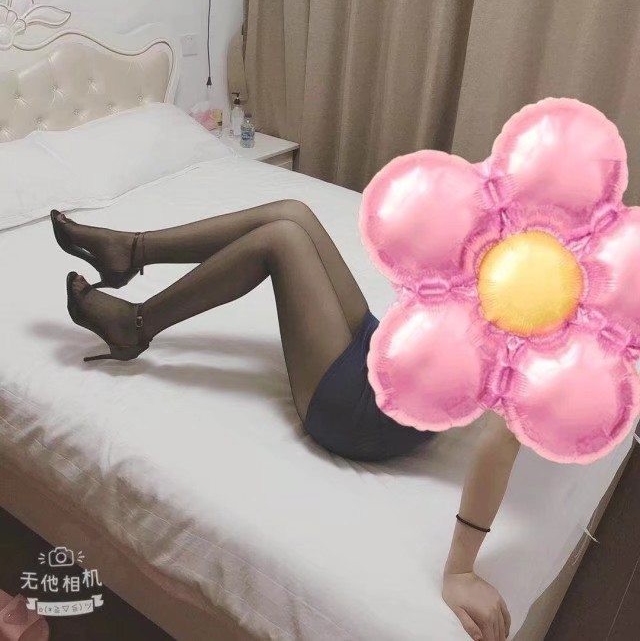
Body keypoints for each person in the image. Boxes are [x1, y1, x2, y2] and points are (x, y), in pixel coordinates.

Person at [51, 199, 518, 641]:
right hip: (384, 354)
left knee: (281, 241)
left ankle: (133, 324)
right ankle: (130, 250)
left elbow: (500, 443)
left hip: (361, 411)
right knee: (293, 214)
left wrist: (460, 571)